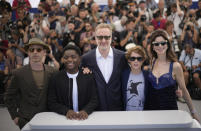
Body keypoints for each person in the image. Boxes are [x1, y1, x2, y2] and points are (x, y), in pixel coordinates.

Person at [146, 29, 199, 121]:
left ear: (168, 45)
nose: (160, 46)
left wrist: (193, 112)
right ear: (153, 47)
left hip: (170, 112)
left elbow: (184, 90)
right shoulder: (152, 62)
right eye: (156, 44)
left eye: (163, 43)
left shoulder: (176, 66)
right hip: (151, 111)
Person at [4, 38, 57, 129]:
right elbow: (9, 97)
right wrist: (15, 117)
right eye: (32, 50)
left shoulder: (53, 72)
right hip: (25, 120)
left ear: (44, 52)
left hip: (47, 118)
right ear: (28, 53)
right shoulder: (19, 73)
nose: (35, 52)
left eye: (38, 50)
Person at [81, 23, 128, 111]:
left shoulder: (122, 57)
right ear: (95, 38)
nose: (103, 40)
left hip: (118, 109)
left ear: (111, 38)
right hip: (96, 110)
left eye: (107, 37)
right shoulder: (86, 59)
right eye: (100, 37)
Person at [48, 45, 98, 120]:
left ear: (80, 59)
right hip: (63, 119)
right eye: (66, 57)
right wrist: (66, 111)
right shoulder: (56, 78)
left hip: (85, 119)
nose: (69, 60)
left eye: (73, 57)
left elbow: (94, 100)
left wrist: (86, 110)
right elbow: (51, 102)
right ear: (62, 59)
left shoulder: (88, 77)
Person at [121, 46, 149, 111]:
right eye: (133, 58)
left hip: (143, 114)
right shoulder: (123, 75)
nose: (136, 61)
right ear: (128, 60)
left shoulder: (147, 75)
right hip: (126, 114)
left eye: (139, 59)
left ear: (143, 60)